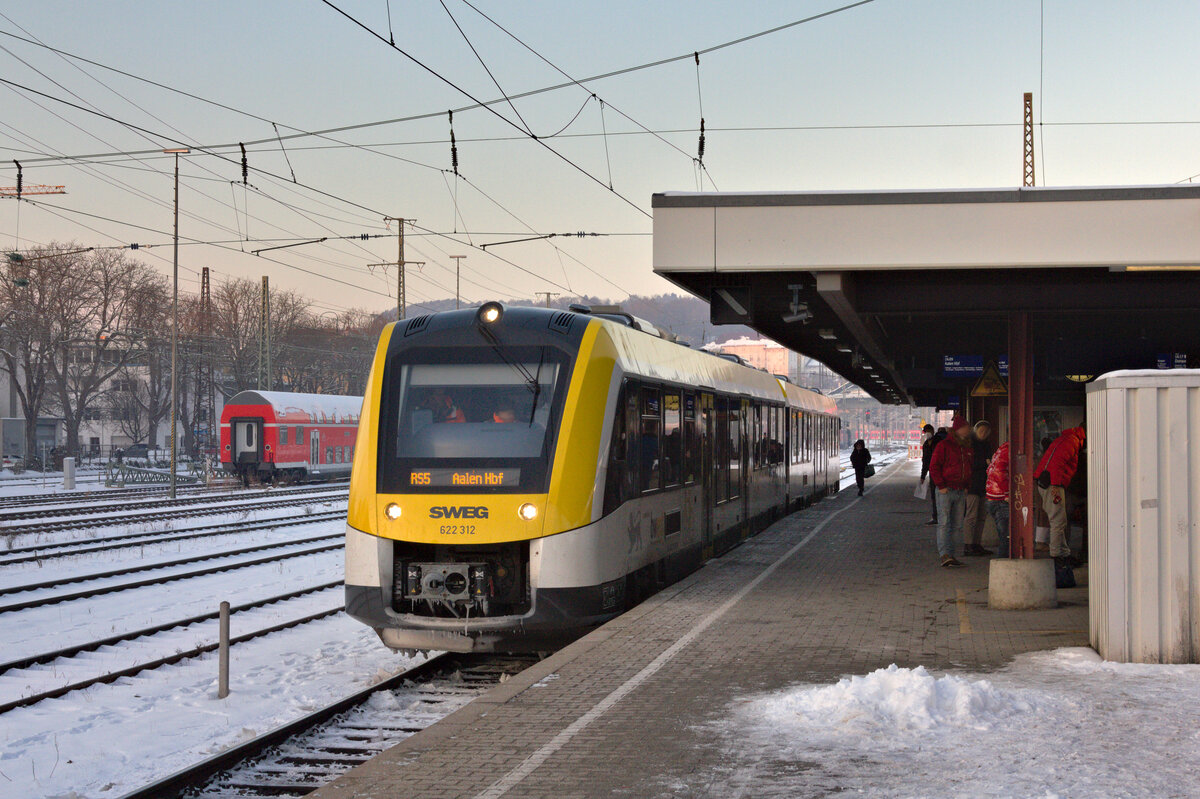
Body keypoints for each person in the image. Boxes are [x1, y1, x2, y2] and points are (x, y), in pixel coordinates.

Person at [1036, 425, 1087, 567]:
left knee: (1060, 520)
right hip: (1053, 485)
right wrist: (1056, 486)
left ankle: (1063, 553)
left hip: (1046, 482)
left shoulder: (1065, 439)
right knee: (1058, 521)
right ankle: (1057, 556)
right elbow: (1057, 463)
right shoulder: (1072, 442)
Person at [929, 415, 972, 568]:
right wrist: (941, 486)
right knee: (945, 523)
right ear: (959, 429)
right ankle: (945, 554)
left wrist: (967, 485)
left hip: (960, 490)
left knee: (957, 525)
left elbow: (968, 468)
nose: (969, 430)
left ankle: (951, 555)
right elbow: (934, 466)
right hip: (946, 490)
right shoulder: (944, 445)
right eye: (966, 427)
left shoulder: (966, 446)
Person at [963, 420, 995, 556]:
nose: (983, 434)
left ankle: (977, 543)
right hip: (972, 485)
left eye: (986, 432)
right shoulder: (970, 444)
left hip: (984, 485)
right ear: (976, 430)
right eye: (981, 431)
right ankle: (968, 544)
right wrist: (985, 462)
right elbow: (968, 463)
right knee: (971, 516)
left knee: (982, 516)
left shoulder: (987, 445)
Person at [985, 440, 1011, 558]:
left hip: (992, 496)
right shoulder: (1008, 451)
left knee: (1003, 534)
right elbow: (999, 473)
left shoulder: (1000, 450)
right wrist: (1007, 493)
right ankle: (1004, 561)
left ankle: (1004, 559)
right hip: (1000, 498)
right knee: (1006, 534)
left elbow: (990, 470)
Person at [920, 425, 946, 525]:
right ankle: (936, 516)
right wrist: (923, 476)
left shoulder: (939, 442)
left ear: (931, 431)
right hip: (933, 473)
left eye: (926, 432)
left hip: (942, 472)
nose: (926, 434)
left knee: (941, 495)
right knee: (934, 496)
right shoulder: (926, 444)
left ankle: (941, 517)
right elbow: (925, 461)